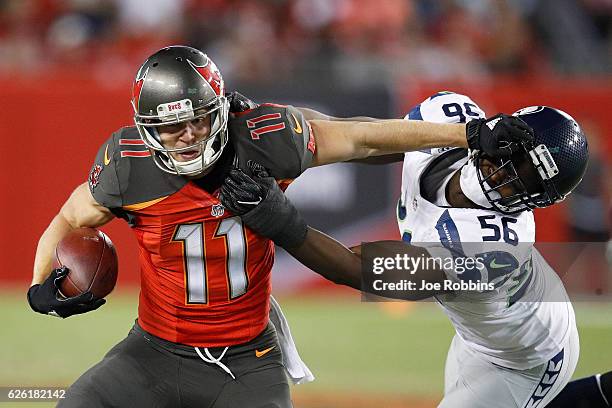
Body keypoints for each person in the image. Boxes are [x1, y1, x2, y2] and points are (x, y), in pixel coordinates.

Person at [27, 45, 531, 408]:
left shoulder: (264, 137)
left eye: (197, 121)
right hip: (153, 350)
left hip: (249, 360)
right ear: (146, 129)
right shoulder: (126, 165)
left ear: (219, 110)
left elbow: (360, 138)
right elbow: (70, 217)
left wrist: (467, 133)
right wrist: (38, 283)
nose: (185, 137)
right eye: (169, 127)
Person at [219, 92, 590, 407]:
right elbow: (359, 137)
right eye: (512, 156)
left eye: (524, 181)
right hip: (482, 338)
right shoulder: (453, 120)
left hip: (527, 358)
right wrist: (274, 124)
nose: (503, 175)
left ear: (537, 200)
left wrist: (280, 220)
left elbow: (357, 268)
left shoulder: (495, 251)